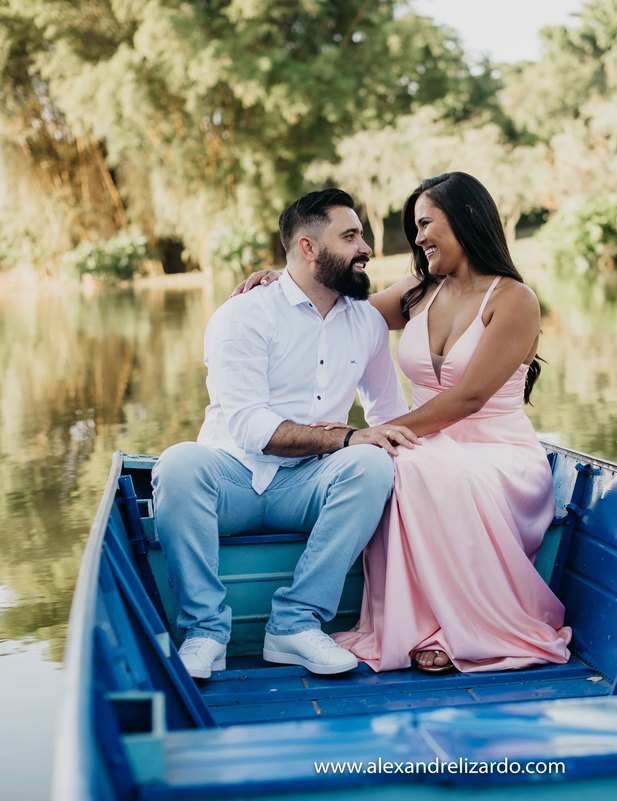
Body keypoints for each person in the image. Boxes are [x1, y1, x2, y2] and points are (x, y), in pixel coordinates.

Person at [239, 172, 571, 673]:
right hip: (427, 443)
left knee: (410, 466)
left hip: (496, 450)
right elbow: (339, 309)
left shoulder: (514, 299)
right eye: (414, 227)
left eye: (425, 224)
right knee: (396, 467)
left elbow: (470, 396)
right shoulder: (419, 291)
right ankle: (419, 627)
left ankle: (463, 628)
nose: (417, 239)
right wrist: (283, 276)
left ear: (466, 219)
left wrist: (384, 435)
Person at [152, 188, 420, 679]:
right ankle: (206, 634)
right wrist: (344, 437)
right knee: (177, 464)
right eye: (351, 236)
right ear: (308, 247)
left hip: (308, 484)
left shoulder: (367, 324)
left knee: (373, 462)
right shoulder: (244, 313)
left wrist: (380, 445)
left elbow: (388, 415)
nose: (366, 248)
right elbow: (251, 427)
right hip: (230, 479)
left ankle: (294, 625)